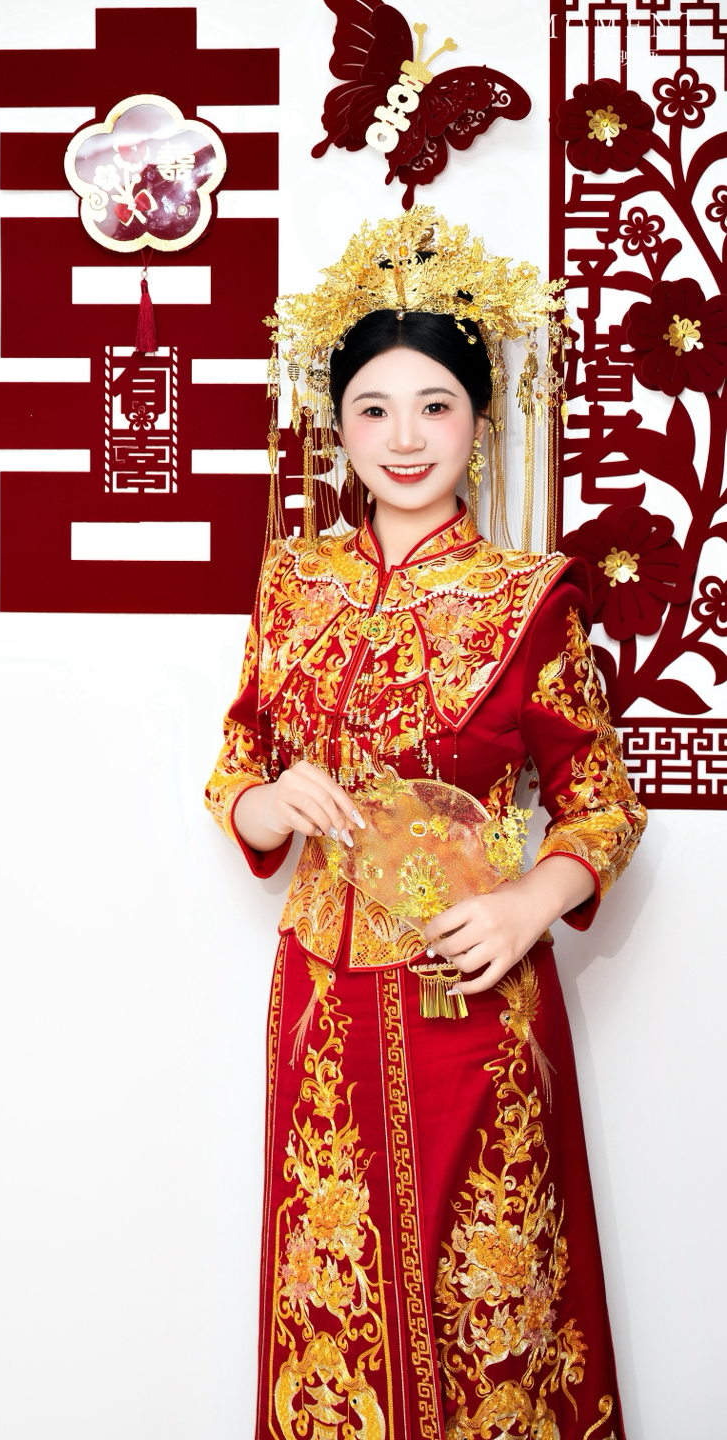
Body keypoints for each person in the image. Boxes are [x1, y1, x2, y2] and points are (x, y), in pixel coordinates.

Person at [205, 212, 646, 1440]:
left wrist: (525, 904)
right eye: (375, 410)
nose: (405, 439)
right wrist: (267, 800)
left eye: (436, 406)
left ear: (480, 421)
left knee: (485, 1305)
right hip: (320, 1001)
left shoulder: (528, 599)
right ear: (337, 427)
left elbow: (604, 803)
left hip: (474, 993)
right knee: (332, 1294)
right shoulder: (293, 584)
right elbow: (234, 761)